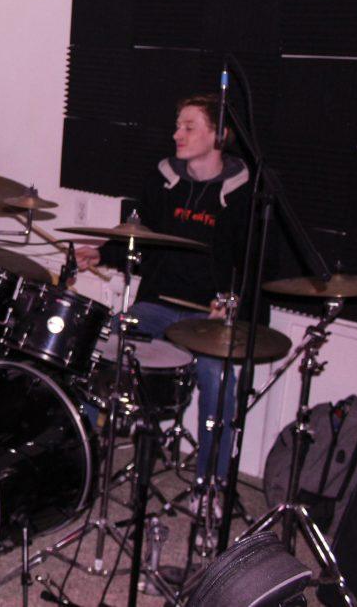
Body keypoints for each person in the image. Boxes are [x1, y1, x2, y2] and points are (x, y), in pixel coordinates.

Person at [77, 93, 252, 483]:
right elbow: (139, 239)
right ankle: (82, 461)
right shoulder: (161, 179)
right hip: (155, 306)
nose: (177, 134)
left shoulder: (244, 194)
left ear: (219, 135)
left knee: (217, 379)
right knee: (102, 352)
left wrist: (232, 302)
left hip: (205, 316)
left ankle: (210, 485)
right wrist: (101, 253)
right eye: (177, 125)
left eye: (189, 127)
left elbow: (253, 263)